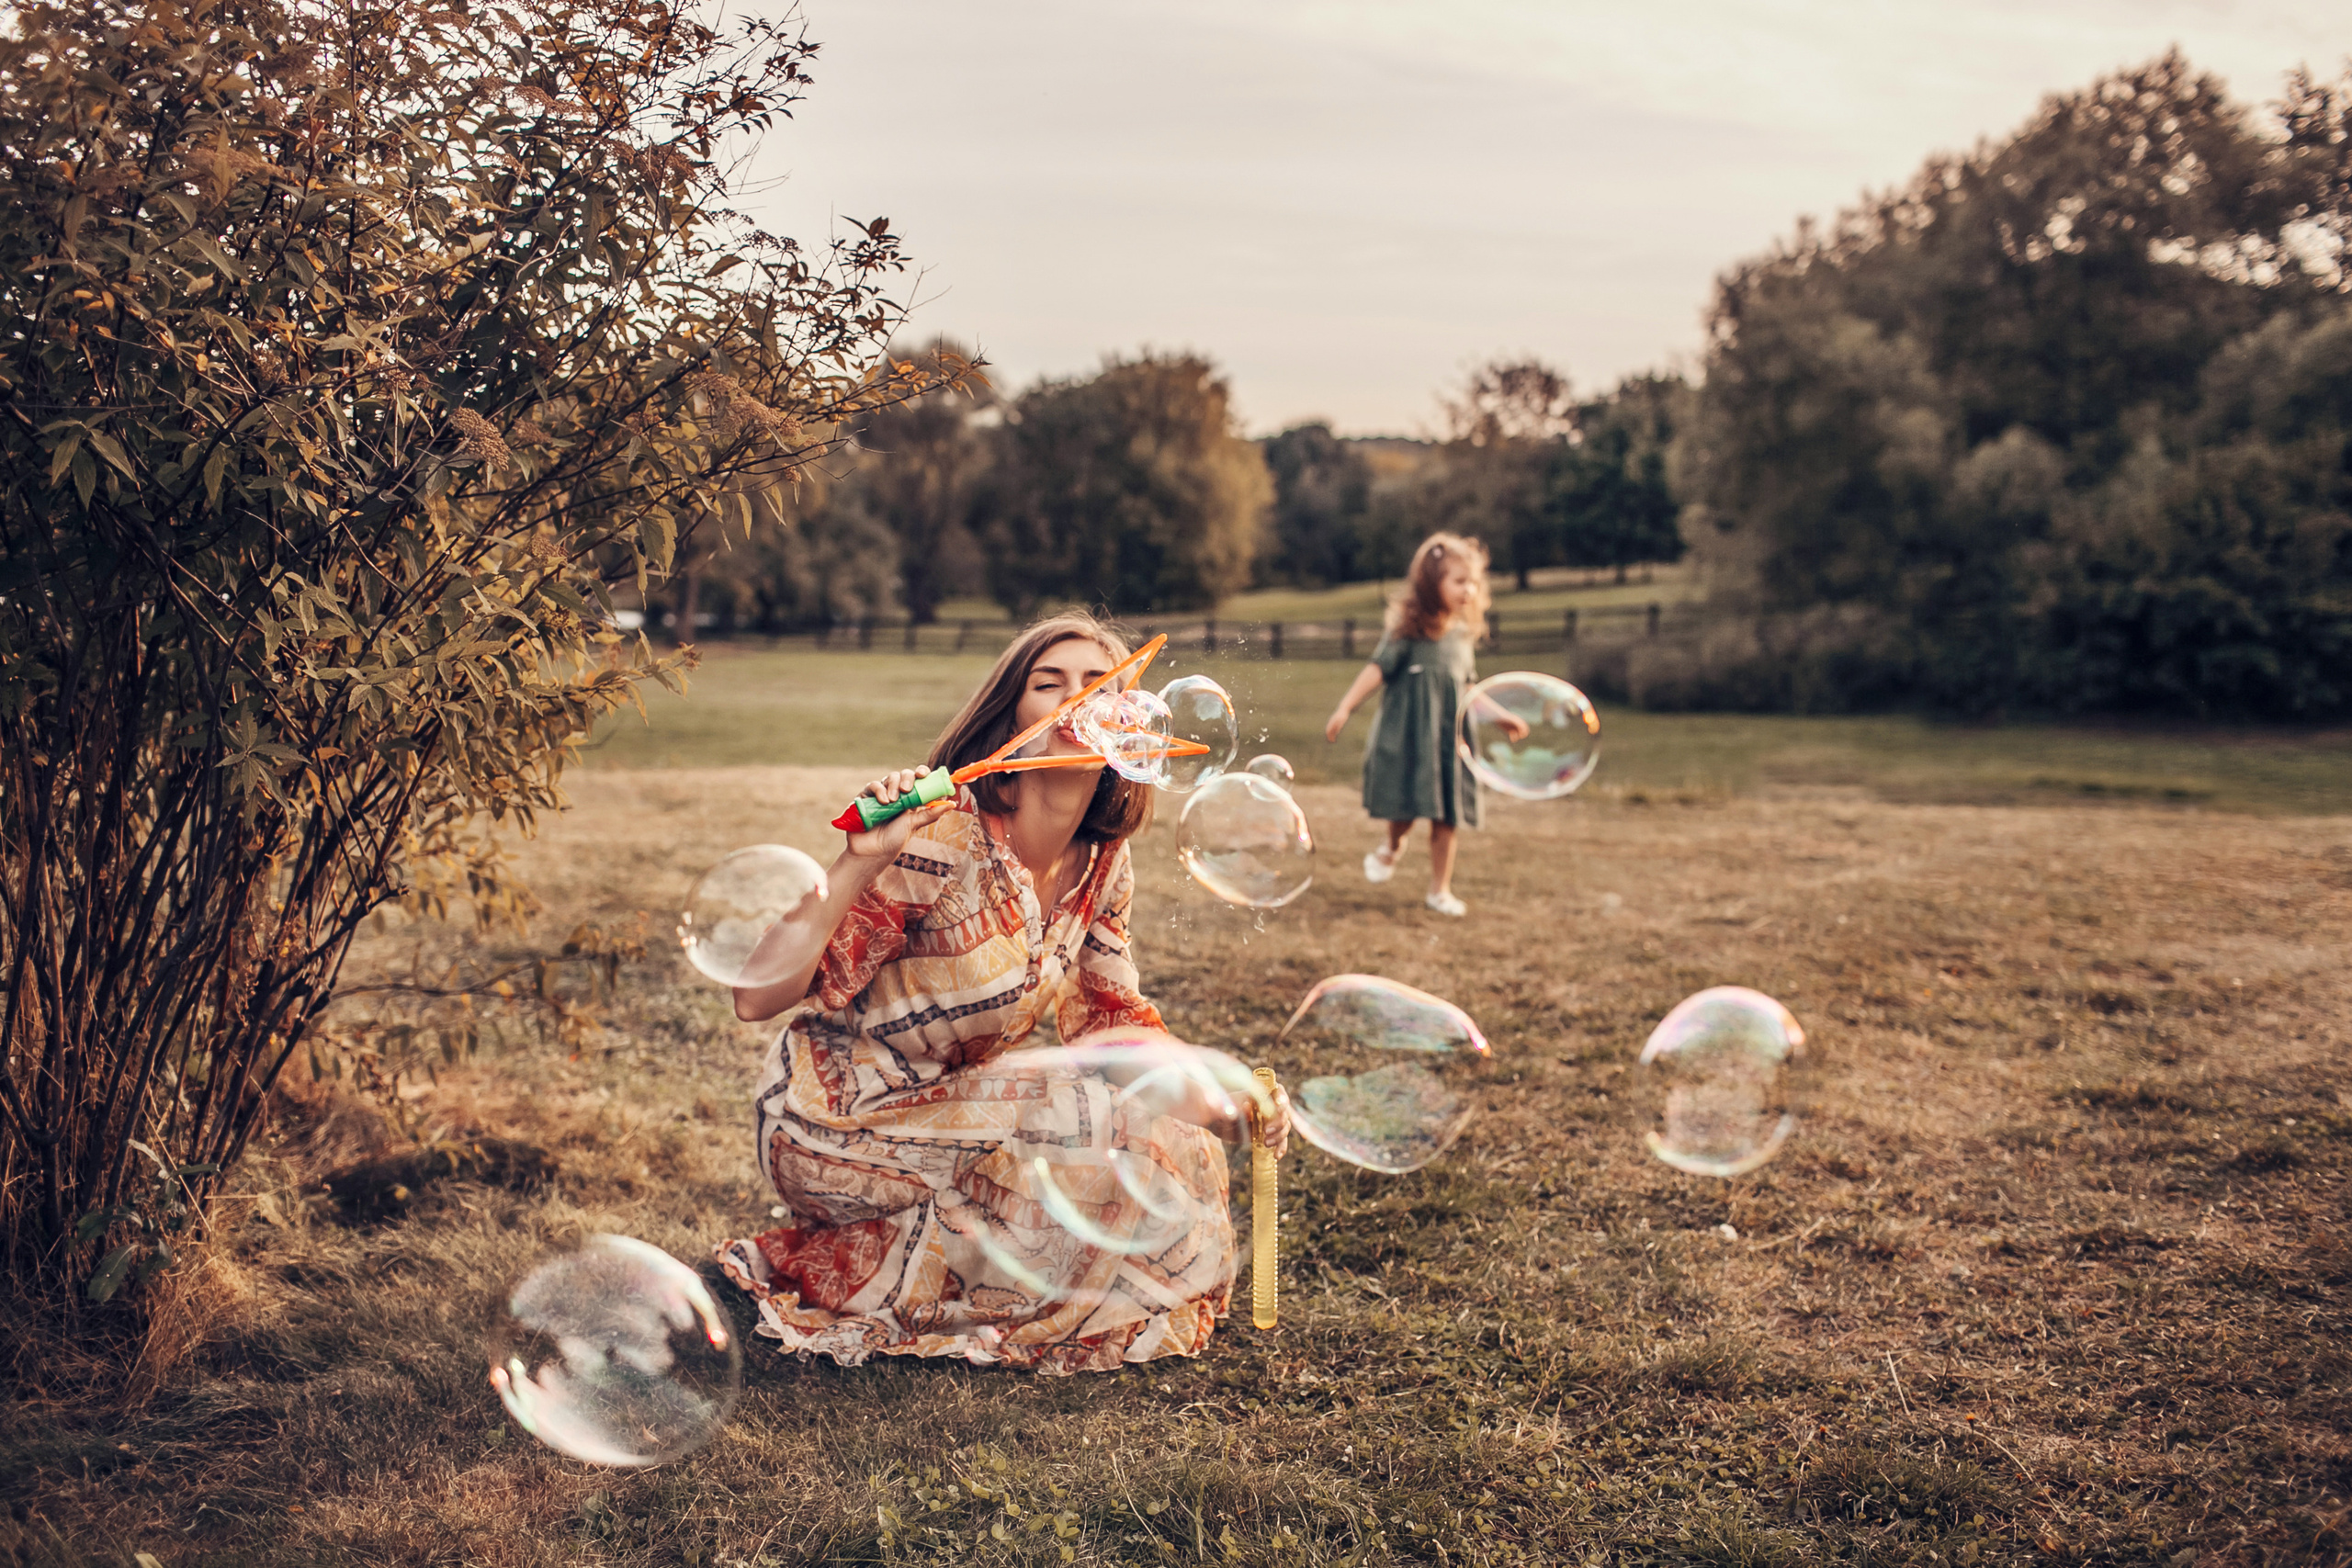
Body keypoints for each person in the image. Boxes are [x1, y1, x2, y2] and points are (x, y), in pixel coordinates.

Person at [716, 612, 1289, 1375]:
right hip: (833, 1118)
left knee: (1166, 1133)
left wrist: (1223, 1100)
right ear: (1015, 716)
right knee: (1081, 1109)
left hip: (959, 1112)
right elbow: (755, 998)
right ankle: (863, 1254)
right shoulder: (946, 833)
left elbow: (1113, 1026)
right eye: (1049, 684)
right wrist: (859, 861)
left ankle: (880, 1259)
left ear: (1131, 723)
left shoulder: (1104, 862)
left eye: (1100, 685)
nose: (1076, 699)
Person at [1323, 533, 1512, 917]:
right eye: (1459, 581)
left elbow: (1469, 689)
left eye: (1474, 582)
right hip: (1411, 735)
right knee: (1403, 811)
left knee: (1447, 817)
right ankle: (1392, 845)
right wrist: (1346, 707)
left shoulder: (1462, 636)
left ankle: (1439, 891)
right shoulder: (1407, 632)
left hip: (1449, 739)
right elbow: (1377, 669)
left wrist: (1499, 716)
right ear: (1430, 584)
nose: (1469, 590)